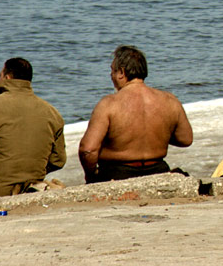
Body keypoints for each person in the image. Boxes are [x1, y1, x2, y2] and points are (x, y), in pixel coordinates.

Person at [79, 46, 193, 184]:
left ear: (121, 73)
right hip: (158, 170)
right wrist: (158, 133)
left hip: (118, 173)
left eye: (112, 70)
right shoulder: (170, 100)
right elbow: (186, 139)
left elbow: (88, 150)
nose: (111, 75)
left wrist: (91, 176)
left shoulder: (109, 104)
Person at [0, 58, 66, 203]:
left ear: (7, 77)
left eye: (0, 76)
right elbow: (58, 160)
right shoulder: (52, 112)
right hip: (33, 187)